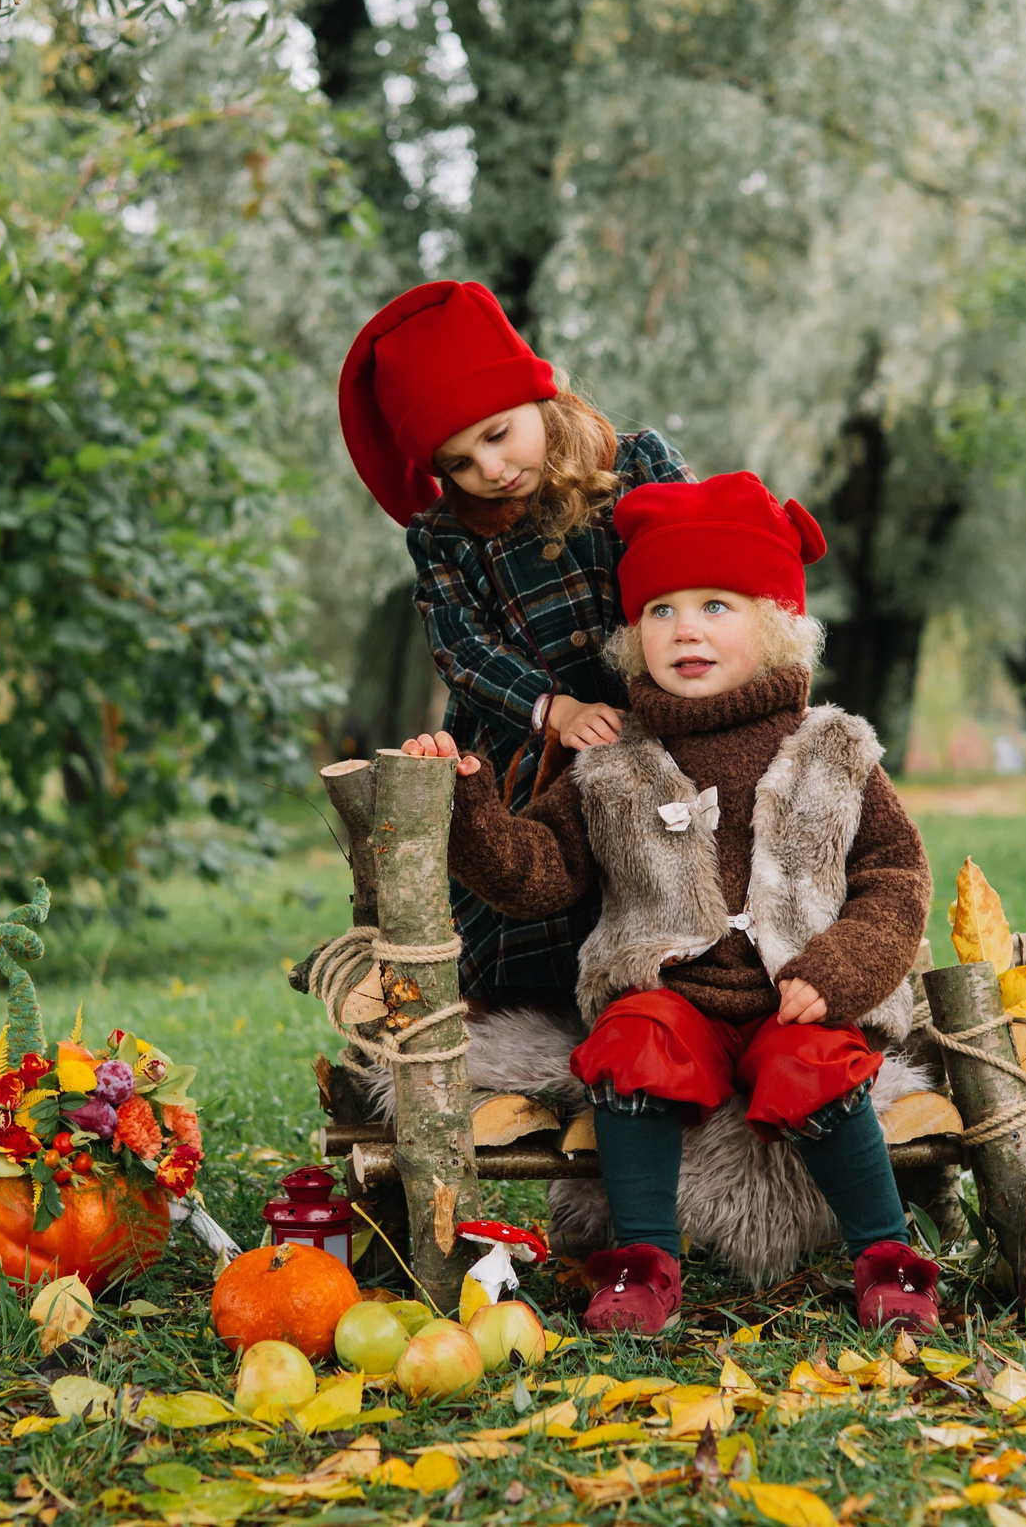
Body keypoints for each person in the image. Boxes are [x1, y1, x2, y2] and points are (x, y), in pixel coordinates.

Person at [403, 472, 942, 1334]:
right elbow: (539, 872)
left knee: (815, 1060)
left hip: (797, 993)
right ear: (632, 640)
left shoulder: (831, 749)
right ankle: (642, 1263)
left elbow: (896, 875)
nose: (685, 628)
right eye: (660, 610)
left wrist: (841, 968)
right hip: (676, 994)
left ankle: (886, 1255)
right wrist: (466, 808)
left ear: (776, 625)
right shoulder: (616, 761)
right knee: (632, 1040)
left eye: (716, 606)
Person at [339, 281, 691, 1005]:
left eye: (497, 436)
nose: (491, 471)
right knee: (535, 887)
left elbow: (704, 565)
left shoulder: (636, 466)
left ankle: (685, 996)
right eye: (459, 463)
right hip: (525, 739)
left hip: (662, 718)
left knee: (679, 871)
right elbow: (462, 648)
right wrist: (554, 709)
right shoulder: (444, 535)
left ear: (538, 395)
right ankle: (541, 1023)